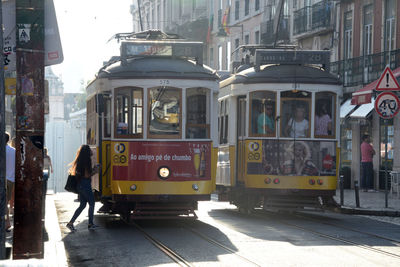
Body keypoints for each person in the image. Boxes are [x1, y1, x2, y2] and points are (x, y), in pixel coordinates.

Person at [66, 145, 100, 231]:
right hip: (85, 185)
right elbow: (87, 175)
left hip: (81, 185)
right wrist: (95, 170)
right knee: (92, 203)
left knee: (82, 205)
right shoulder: (86, 161)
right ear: (87, 152)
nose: (92, 151)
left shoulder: (81, 161)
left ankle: (70, 223)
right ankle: (90, 223)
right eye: (90, 150)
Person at [5, 132, 15, 232]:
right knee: (6, 202)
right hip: (11, 179)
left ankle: (7, 222)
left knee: (3, 203)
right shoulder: (13, 151)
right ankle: (7, 222)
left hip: (3, 179)